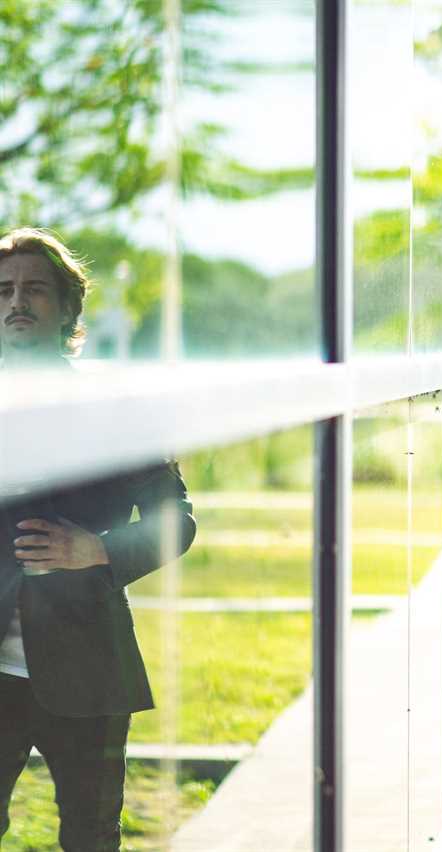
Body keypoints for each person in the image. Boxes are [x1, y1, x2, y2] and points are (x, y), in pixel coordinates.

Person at [0, 228, 196, 851]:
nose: (16, 303)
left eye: (34, 289)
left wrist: (100, 549)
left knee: (90, 836)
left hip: (88, 667)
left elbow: (178, 520)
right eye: (2, 291)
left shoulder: (117, 408)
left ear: (67, 308)